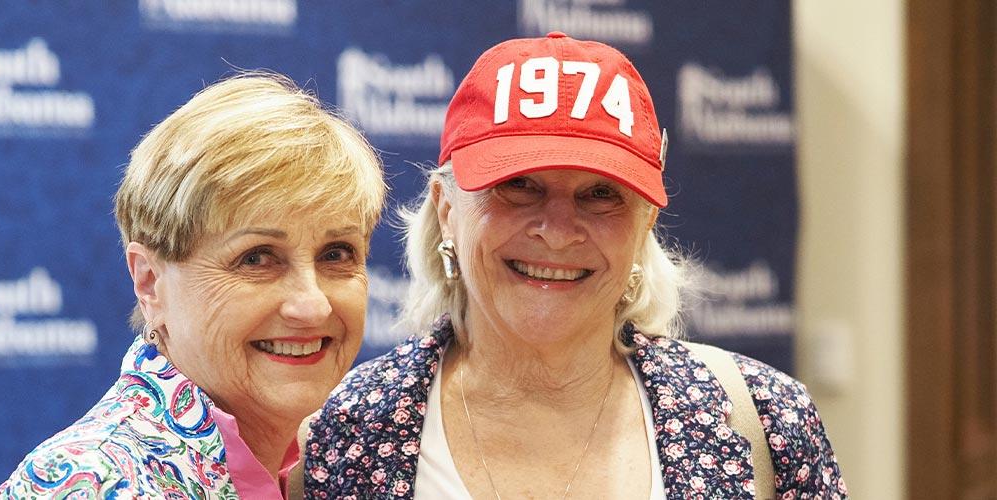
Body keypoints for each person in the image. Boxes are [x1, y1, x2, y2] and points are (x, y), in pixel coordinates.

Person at [301, 33, 847, 499]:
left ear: (645, 223)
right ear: (447, 210)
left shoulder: (767, 423)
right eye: (519, 186)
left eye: (601, 194)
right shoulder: (346, 436)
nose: (557, 231)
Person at [0, 73, 386, 499]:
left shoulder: (328, 470)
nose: (312, 306)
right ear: (150, 282)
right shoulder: (93, 483)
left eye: (337, 254)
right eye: (256, 258)